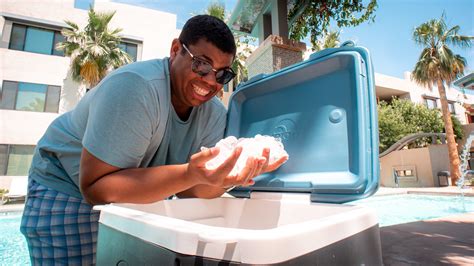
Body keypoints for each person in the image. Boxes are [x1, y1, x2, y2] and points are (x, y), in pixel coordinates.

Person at [20, 15, 286, 265]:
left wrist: (221, 179)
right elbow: (96, 189)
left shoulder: (214, 114)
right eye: (201, 64)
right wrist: (189, 174)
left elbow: (190, 188)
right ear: (175, 50)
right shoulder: (135, 88)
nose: (209, 81)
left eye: (222, 74)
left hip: (125, 192)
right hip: (65, 184)